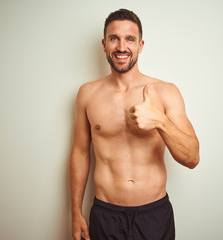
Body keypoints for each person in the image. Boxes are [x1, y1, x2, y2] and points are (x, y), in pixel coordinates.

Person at [70, 9, 199, 240]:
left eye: (129, 39)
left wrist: (160, 121)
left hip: (154, 215)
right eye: (114, 38)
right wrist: (75, 212)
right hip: (105, 214)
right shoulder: (87, 94)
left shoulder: (166, 92)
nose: (121, 47)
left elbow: (192, 158)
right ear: (104, 44)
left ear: (140, 45)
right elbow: (80, 153)